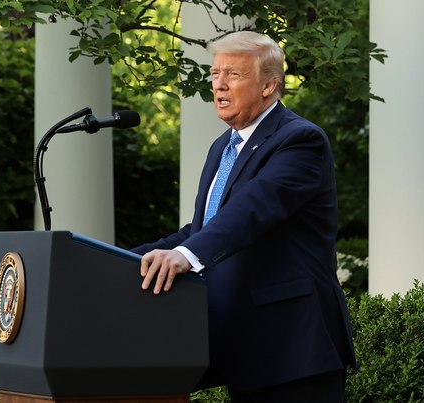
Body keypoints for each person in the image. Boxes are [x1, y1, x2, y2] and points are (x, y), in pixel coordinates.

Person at [132, 31, 356, 402]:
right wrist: (128, 259)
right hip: (247, 350)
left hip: (294, 347)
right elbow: (204, 227)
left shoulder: (300, 140)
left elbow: (252, 209)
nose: (219, 84)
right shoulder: (224, 146)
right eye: (215, 73)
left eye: (233, 74)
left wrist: (187, 255)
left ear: (269, 85)